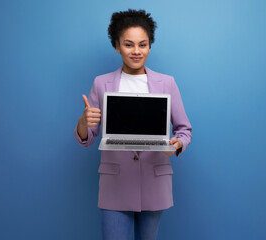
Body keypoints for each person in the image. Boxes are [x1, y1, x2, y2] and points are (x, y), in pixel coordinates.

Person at [74, 9, 192, 240]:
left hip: (154, 179)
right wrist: (82, 121)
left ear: (150, 46)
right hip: (115, 181)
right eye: (128, 45)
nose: (136, 51)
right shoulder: (101, 83)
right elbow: (88, 137)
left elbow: (183, 130)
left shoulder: (167, 83)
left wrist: (177, 144)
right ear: (117, 46)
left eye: (142, 44)